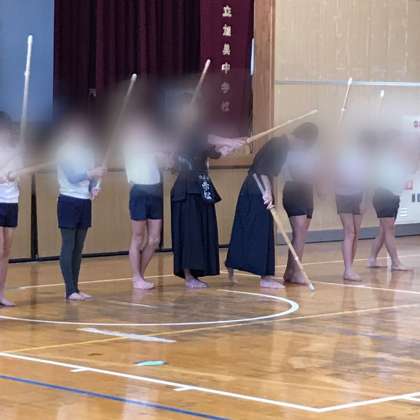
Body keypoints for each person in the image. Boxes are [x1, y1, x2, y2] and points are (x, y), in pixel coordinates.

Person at [171, 101, 244, 288]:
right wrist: (229, 141)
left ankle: (195, 274)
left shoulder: (197, 132)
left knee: (201, 229)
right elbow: (206, 139)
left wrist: (231, 146)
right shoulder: (183, 132)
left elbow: (214, 152)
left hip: (201, 185)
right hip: (187, 187)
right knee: (189, 232)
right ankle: (189, 276)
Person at [225, 135, 289, 288]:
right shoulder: (280, 147)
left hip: (251, 188)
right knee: (261, 233)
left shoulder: (271, 149)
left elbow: (262, 170)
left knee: (245, 229)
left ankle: (232, 264)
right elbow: (263, 171)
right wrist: (267, 191)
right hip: (257, 190)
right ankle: (265, 278)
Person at [54, 114, 105, 301]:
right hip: (68, 200)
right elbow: (73, 176)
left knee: (79, 247)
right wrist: (93, 172)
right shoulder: (63, 151)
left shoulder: (89, 151)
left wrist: (94, 187)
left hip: (84, 201)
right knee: (68, 245)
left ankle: (75, 287)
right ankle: (69, 290)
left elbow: (89, 179)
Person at [121, 110, 166, 290]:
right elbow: (153, 149)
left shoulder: (151, 142)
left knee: (154, 239)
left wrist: (167, 155)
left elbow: (165, 158)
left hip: (155, 189)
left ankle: (139, 274)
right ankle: (136, 277)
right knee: (138, 237)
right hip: (139, 190)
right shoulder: (130, 143)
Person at [368, 130, 415, 271]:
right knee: (389, 229)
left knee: (384, 230)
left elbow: (410, 170)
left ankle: (372, 259)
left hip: (393, 196)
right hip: (384, 195)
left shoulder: (399, 156)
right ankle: (395, 262)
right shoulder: (385, 158)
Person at [281, 122, 322, 285]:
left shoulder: (312, 153)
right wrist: (315, 174)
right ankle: (297, 272)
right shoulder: (290, 152)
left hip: (307, 192)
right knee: (299, 233)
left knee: (301, 234)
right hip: (294, 191)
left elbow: (315, 174)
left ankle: (290, 271)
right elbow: (297, 174)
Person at [334, 131, 373, 281]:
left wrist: (364, 200)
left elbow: (368, 181)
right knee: (349, 232)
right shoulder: (346, 156)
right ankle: (348, 269)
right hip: (343, 195)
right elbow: (338, 176)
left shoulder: (367, 159)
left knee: (356, 233)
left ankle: (350, 267)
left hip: (358, 195)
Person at [0, 112, 21, 306]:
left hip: (12, 202)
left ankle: (1, 293)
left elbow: (20, 177)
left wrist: (17, 176)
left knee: (6, 251)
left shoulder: (16, 151)